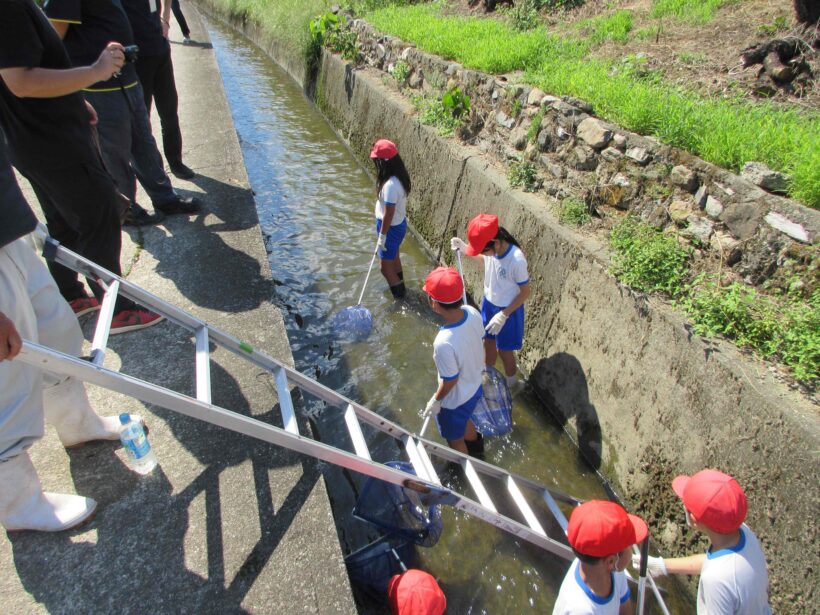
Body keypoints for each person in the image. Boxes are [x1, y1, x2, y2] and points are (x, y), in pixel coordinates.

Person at [0, 0, 163, 332]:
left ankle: (72, 294)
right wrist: (96, 72)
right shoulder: (8, 9)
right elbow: (20, 81)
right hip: (51, 141)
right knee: (99, 212)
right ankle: (115, 308)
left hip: (31, 139)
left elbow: (34, 65)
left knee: (64, 224)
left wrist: (76, 100)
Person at [0, 143, 134, 532]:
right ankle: (17, 502)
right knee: (9, 375)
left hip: (9, 229)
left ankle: (77, 424)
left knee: (56, 334)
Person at [45, 0, 203, 226]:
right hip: (99, 86)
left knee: (144, 142)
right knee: (115, 150)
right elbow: (53, 40)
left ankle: (165, 198)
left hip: (128, 78)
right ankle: (127, 209)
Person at [633, 469, 771, 614]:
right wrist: (662, 565)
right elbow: (713, 562)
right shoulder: (743, 533)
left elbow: (718, 573)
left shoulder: (715, 580)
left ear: (694, 519)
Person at [451, 213, 530, 391]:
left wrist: (504, 314)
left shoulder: (516, 259)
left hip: (508, 311)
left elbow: (525, 292)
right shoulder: (491, 250)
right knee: (487, 342)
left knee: (505, 350)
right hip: (489, 303)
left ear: (495, 242)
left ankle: (513, 384)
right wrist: (464, 248)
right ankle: (487, 376)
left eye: (483, 250)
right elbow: (486, 262)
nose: (483, 254)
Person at [122, 0, 195, 180]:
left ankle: (175, 162)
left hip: (161, 52)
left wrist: (166, 18)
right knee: (142, 119)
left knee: (169, 111)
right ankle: (153, 170)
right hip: (137, 60)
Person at [421, 267, 484, 456]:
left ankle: (467, 467)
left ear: (434, 304)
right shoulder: (472, 312)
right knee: (465, 420)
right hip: (474, 388)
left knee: (455, 439)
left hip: (454, 401)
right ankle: (479, 453)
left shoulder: (443, 342)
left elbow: (450, 380)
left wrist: (436, 400)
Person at [553, 499, 648, 615]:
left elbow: (625, 610)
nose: (632, 549)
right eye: (630, 545)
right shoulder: (580, 609)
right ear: (611, 561)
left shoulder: (614, 570)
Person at [370, 138, 411, 299]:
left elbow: (389, 213)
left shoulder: (390, 186)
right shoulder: (398, 178)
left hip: (390, 228)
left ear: (384, 162)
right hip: (397, 226)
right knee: (394, 258)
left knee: (385, 268)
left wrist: (382, 236)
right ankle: (402, 287)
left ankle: (401, 298)